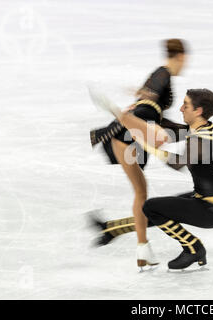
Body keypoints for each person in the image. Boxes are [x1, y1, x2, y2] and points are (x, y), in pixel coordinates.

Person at [88, 87, 213, 270]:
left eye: (186, 105)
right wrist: (139, 120)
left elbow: (175, 163)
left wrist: (145, 142)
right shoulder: (204, 127)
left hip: (211, 211)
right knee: (160, 209)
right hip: (209, 199)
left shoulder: (201, 141)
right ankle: (111, 229)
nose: (181, 109)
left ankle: (193, 247)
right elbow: (174, 130)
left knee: (152, 207)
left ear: (198, 111)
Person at [89, 39, 187, 267]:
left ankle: (143, 251)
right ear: (181, 56)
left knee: (141, 193)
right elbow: (150, 97)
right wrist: (145, 99)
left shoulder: (161, 78)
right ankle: (124, 118)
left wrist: (188, 130)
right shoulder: (163, 73)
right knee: (159, 136)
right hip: (139, 121)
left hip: (126, 137)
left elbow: (151, 96)